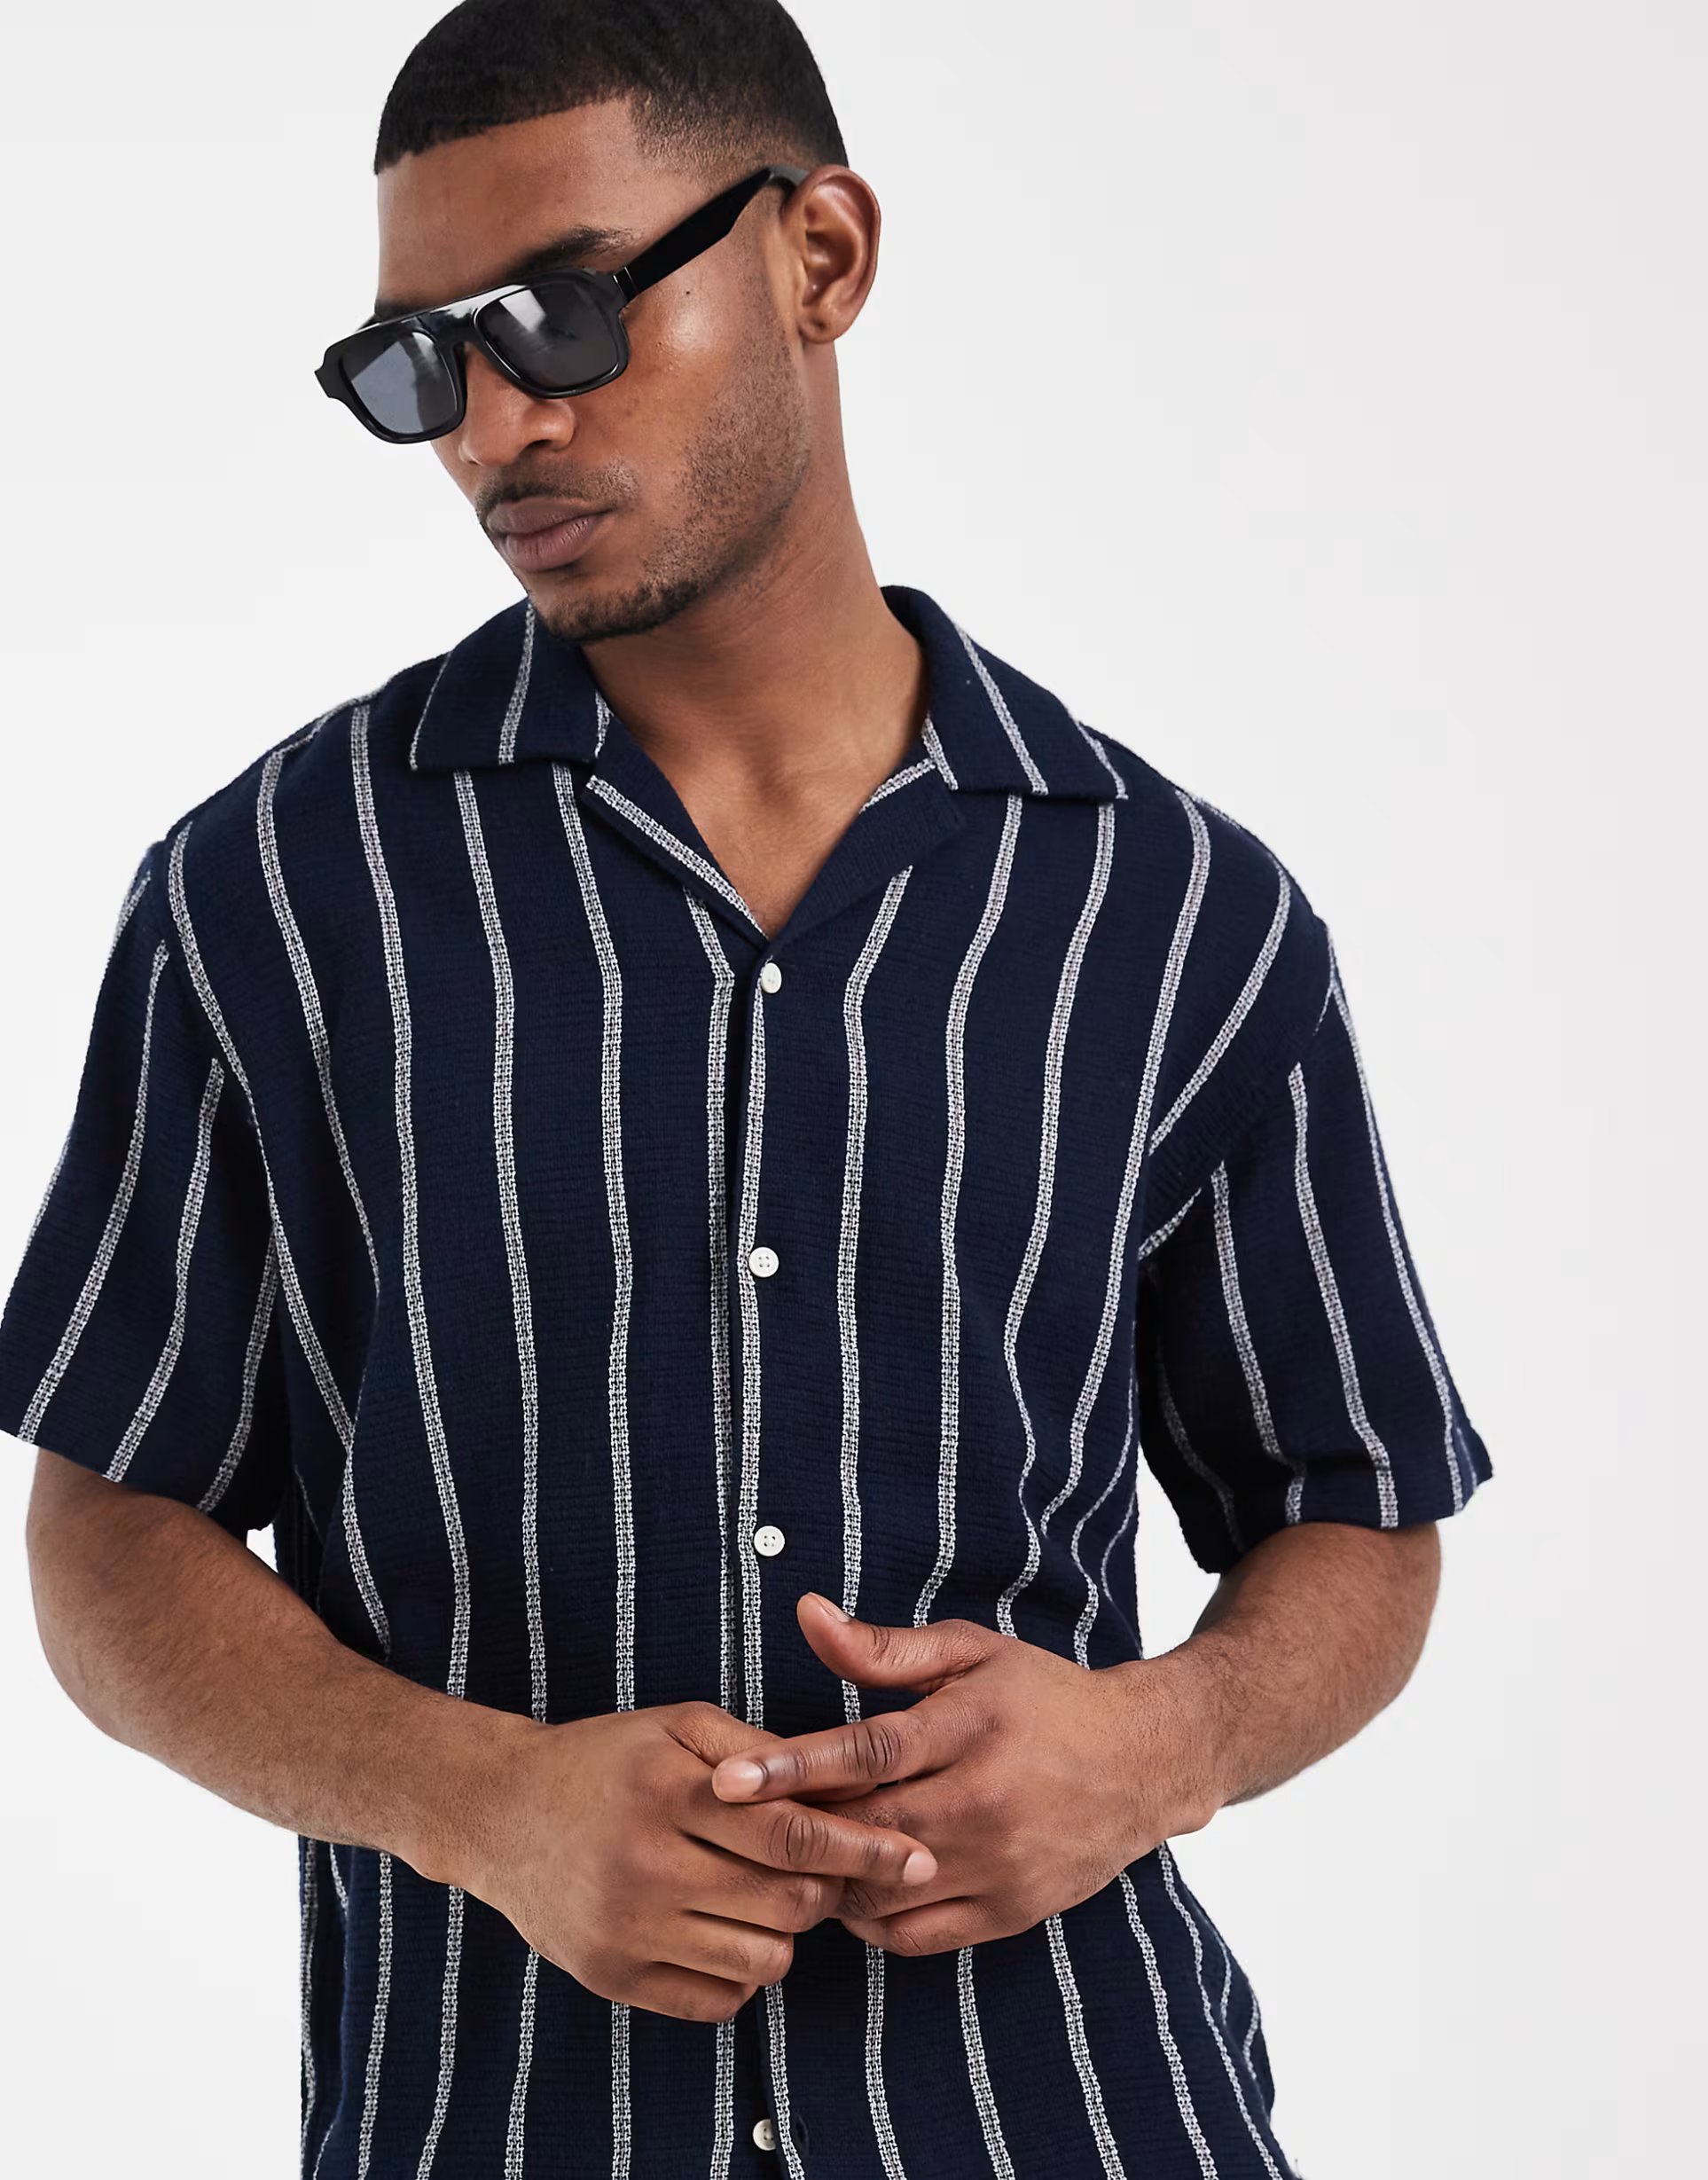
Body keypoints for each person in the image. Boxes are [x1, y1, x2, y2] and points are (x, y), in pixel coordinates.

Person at [0, 3, 1493, 2174]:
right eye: (421, 364)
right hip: (500, 2122)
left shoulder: (1180, 911)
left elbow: (1355, 1502)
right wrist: (480, 1800)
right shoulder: (275, 894)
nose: (498, 425)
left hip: (1074, 2115)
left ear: (823, 256)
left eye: (566, 312)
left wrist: (1157, 1743)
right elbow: (109, 1533)